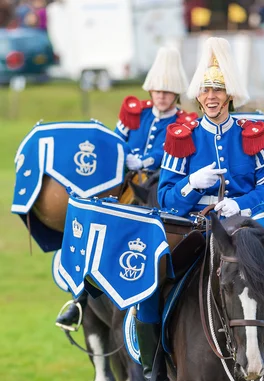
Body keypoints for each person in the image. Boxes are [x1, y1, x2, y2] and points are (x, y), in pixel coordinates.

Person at [134, 36, 264, 381]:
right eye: (205, 91)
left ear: (229, 95)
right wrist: (190, 183)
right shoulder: (181, 137)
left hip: (245, 231)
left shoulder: (252, 133)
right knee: (150, 288)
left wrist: (241, 203)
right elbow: (165, 197)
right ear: (198, 97)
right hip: (196, 229)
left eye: (218, 90)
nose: (211, 97)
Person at [56, 46, 193, 329]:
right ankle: (79, 300)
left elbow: (172, 154)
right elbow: (114, 140)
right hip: (119, 184)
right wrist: (121, 154)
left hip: (156, 186)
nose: (161, 96)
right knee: (93, 227)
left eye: (167, 91)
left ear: (176, 92)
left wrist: (146, 159)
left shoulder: (185, 122)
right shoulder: (135, 113)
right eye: (157, 90)